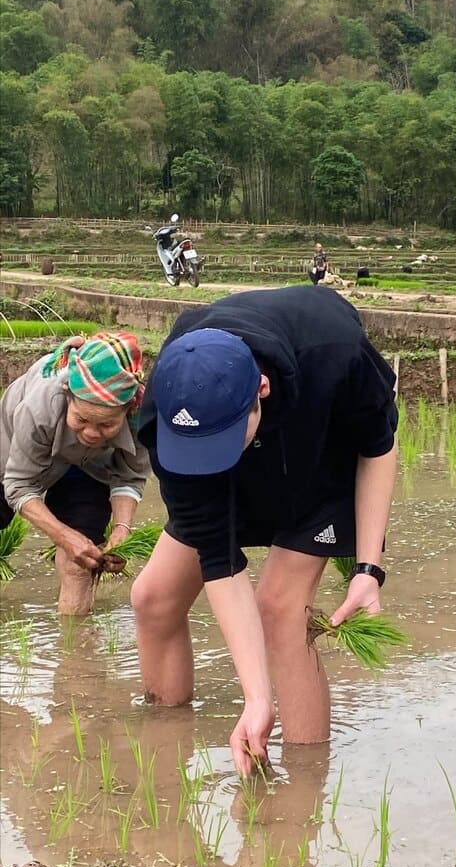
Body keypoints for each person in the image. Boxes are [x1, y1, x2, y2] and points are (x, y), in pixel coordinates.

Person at [131, 286, 398, 778]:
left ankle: (304, 782)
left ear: (262, 390)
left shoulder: (333, 349)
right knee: (153, 598)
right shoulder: (172, 401)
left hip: (318, 464)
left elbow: (378, 447)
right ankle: (164, 752)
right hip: (223, 473)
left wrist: (367, 567)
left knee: (281, 610)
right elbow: (218, 556)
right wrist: (256, 697)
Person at [0, 332, 150, 614]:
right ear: (68, 395)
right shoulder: (39, 406)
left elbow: (129, 476)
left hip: (90, 468)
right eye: (81, 419)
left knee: (81, 562)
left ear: (128, 409)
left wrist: (121, 530)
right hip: (13, 452)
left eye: (106, 424)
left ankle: (75, 649)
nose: (92, 433)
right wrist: (63, 535)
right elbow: (18, 485)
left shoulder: (141, 416)